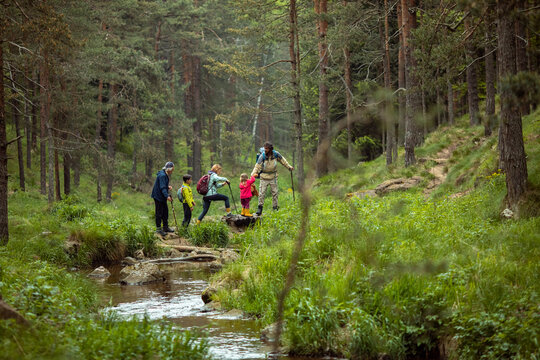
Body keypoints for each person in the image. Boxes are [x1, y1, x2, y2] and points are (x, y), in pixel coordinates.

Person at [251, 142, 293, 216]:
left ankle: (275, 207)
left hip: (273, 176)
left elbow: (283, 161)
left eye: (267, 148)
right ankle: (259, 208)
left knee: (275, 193)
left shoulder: (276, 154)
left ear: (270, 149)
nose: (265, 150)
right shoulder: (262, 156)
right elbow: (257, 166)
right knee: (261, 193)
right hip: (264, 177)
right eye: (265, 148)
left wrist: (289, 167)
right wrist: (252, 175)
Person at [151, 161, 174, 236]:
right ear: (169, 169)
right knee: (159, 212)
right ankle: (158, 229)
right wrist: (167, 196)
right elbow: (162, 187)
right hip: (158, 196)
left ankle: (165, 227)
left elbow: (163, 185)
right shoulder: (162, 175)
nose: (172, 171)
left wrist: (168, 187)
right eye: (172, 169)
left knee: (165, 211)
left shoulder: (165, 173)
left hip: (162, 196)